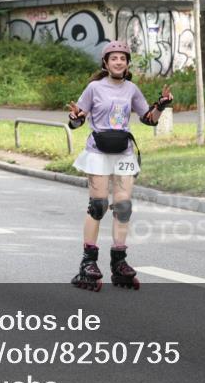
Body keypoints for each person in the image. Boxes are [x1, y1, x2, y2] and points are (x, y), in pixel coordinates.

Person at [67, 40, 173, 291]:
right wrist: (75, 119)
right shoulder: (94, 88)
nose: (118, 62)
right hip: (98, 152)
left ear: (127, 64)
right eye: (113, 58)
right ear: (105, 63)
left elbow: (148, 119)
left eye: (122, 58)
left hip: (124, 152)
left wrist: (161, 105)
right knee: (98, 205)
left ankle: (119, 261)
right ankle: (88, 262)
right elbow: (77, 120)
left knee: (123, 206)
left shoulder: (132, 89)